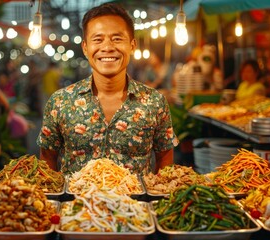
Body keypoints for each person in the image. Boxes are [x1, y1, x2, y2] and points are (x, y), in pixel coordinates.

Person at [36, 3, 178, 175]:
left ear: (132, 45)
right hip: (76, 202)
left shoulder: (155, 101)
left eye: (117, 38)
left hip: (137, 202)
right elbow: (47, 158)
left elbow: (165, 158)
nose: (108, 47)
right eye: (98, 39)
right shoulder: (60, 101)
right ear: (85, 48)